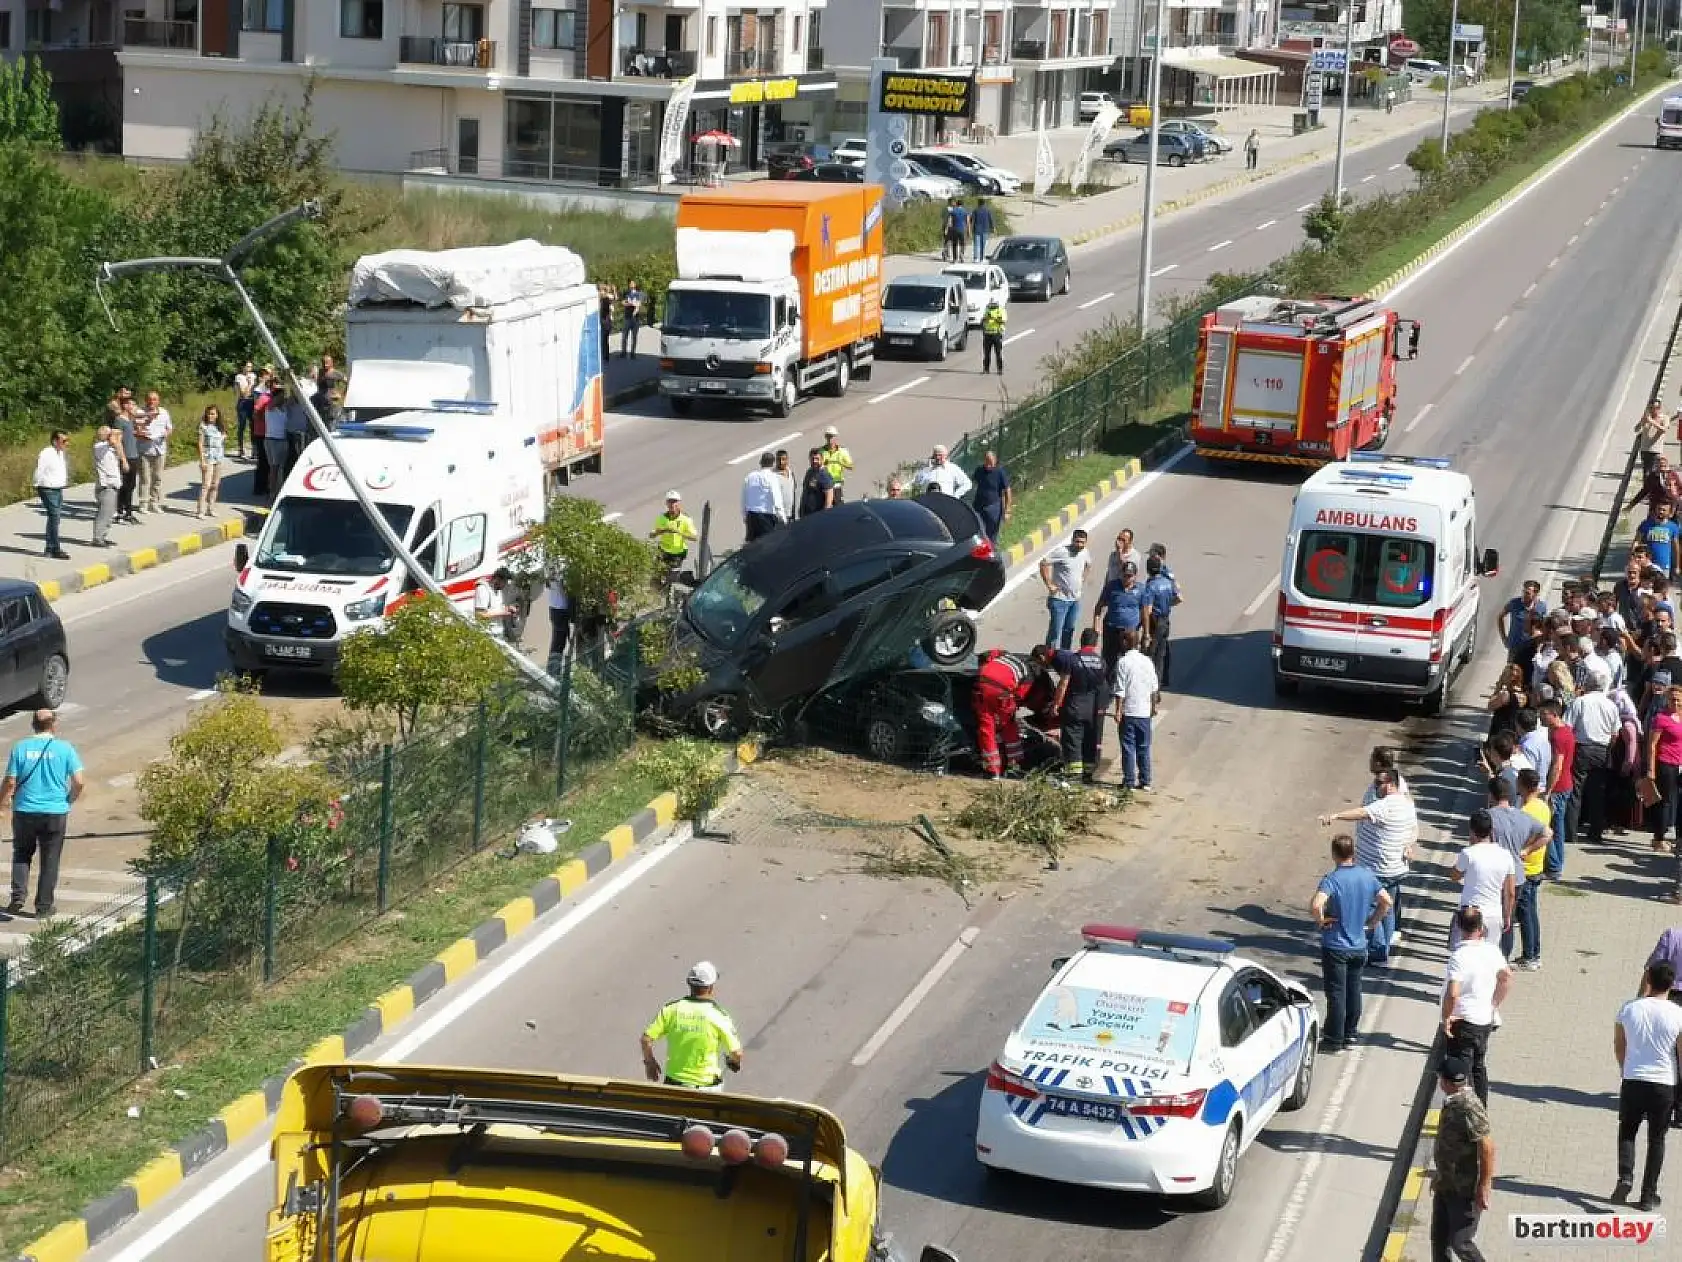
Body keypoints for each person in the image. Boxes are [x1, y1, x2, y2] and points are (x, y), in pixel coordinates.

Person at [1318, 767, 1415, 963]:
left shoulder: (1387, 805)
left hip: (1378, 869)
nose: (1375, 787)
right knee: (1387, 908)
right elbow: (1414, 829)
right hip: (1396, 868)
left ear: (1389, 785)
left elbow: (1362, 812)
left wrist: (1335, 816)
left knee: (1372, 909)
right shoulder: (1407, 804)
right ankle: (1384, 949)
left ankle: (1377, 950)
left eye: (1379, 783)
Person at [1309, 834, 1390, 1053]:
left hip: (1336, 946)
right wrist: (1373, 922)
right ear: (1353, 853)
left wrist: (1321, 920)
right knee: (1354, 989)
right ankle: (1351, 1033)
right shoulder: (1367, 876)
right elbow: (1386, 901)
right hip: (1358, 945)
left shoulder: (1332, 879)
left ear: (1334, 854)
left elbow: (1317, 905)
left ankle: (1334, 1038)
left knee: (1336, 993)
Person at [1, 709, 85, 919]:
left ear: (33, 725)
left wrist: (2, 804)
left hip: (24, 811)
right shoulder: (65, 749)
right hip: (55, 812)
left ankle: (18, 896)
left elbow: (10, 781)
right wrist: (69, 799)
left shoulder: (20, 748)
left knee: (22, 852)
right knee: (50, 859)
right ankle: (43, 906)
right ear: (53, 725)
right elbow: (79, 782)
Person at [1614, 959, 1682, 1211]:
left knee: (1628, 1129)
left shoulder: (1629, 1009)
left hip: (1633, 1078)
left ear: (1649, 981)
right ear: (1672, 985)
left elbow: (1619, 1044)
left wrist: (1624, 1067)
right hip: (1664, 1084)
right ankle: (1647, 1195)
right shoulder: (1678, 1014)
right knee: (1657, 1139)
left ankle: (1625, 1176)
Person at [1439, 906, 1511, 1106]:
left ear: (1459, 927)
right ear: (1481, 927)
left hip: (1462, 1020)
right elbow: (1506, 977)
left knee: (1460, 1069)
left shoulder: (1460, 956)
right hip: (1484, 1019)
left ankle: (1462, 1113)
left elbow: (1453, 993)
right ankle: (1481, 1109)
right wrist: (1494, 1004)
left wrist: (1446, 1018)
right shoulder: (1492, 950)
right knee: (1479, 1066)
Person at [1428, 1054, 1494, 1262]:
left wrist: (1484, 1186)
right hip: (1446, 1183)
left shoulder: (1469, 1107)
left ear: (1445, 1082)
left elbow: (1488, 1147)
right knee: (1439, 1239)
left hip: (1464, 1190)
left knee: (1461, 1242)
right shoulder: (1453, 1101)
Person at [640, 961, 744, 1090]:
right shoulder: (718, 1015)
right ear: (710, 987)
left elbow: (646, 1039)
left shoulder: (671, 1009)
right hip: (707, 1087)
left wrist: (650, 1063)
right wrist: (733, 1062)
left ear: (689, 984)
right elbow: (737, 1053)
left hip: (674, 1085)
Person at [1452, 810, 1516, 953]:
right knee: (1489, 955)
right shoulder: (1506, 856)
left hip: (1470, 914)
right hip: (1493, 913)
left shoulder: (1468, 853)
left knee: (1466, 954)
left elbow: (1454, 876)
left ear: (1472, 831)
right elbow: (1510, 892)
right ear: (1491, 831)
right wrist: (1507, 916)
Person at [1049, 629, 1108, 782]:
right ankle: (1088, 773)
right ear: (1095, 644)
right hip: (1092, 707)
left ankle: (1074, 775)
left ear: (1081, 641)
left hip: (1074, 705)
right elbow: (1102, 687)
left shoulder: (1072, 660)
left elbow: (1063, 684)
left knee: (1073, 740)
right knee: (1089, 740)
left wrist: (1056, 704)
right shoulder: (1101, 662)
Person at [974, 648, 1036, 779]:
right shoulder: (1027, 672)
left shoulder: (1002, 655)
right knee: (1009, 728)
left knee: (987, 729)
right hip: (1002, 694)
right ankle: (1015, 766)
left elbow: (986, 655)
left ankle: (992, 770)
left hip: (982, 686)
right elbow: (1020, 696)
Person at [1110, 629, 1159, 791]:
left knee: (1128, 747)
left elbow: (1120, 690)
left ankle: (1129, 781)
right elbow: (1154, 688)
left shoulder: (1123, 662)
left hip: (1129, 712)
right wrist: (1153, 707)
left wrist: (1118, 711)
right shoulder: (1147, 661)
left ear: (1125, 642)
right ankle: (1146, 781)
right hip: (1144, 712)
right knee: (1144, 747)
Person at [1093, 560, 1146, 677]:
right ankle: (1107, 686)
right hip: (1112, 629)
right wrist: (1096, 625)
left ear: (1135, 576)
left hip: (1130, 633)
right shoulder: (1112, 586)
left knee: (1130, 661)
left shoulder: (1141, 589)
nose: (1127, 578)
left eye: (1130, 576)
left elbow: (1144, 612)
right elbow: (1099, 606)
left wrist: (1145, 632)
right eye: (1125, 575)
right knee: (1108, 660)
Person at [1039, 529, 1091, 650]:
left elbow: (1088, 564)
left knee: (1069, 630)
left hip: (1075, 600)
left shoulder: (1085, 552)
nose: (1080, 545)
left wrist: (1083, 578)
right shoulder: (1062, 552)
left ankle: (1065, 656)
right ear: (1072, 540)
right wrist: (1049, 584)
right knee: (1055, 632)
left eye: (1082, 542)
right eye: (1077, 541)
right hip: (1059, 599)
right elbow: (1043, 563)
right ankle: (1048, 657)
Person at [32, 430, 69, 560]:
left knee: (55, 518)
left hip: (58, 488)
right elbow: (39, 469)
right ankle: (55, 548)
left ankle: (50, 548)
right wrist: (37, 484)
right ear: (55, 441)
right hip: (48, 488)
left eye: (67, 441)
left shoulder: (61, 453)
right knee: (54, 516)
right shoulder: (47, 453)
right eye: (63, 441)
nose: (66, 443)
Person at [1142, 554, 1177, 688]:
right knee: (1161, 654)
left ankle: (1150, 685)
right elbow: (1179, 598)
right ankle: (1159, 681)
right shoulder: (1167, 582)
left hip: (1154, 622)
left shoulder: (1150, 586)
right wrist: (1168, 605)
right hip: (1165, 620)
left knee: (1150, 653)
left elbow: (1147, 611)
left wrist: (1146, 633)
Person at [137, 390, 172, 513]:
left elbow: (169, 428)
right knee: (145, 478)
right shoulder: (140, 412)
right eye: (150, 399)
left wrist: (165, 435)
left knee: (157, 477)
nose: (152, 401)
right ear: (146, 400)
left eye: (154, 399)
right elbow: (136, 430)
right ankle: (143, 503)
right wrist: (144, 431)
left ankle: (154, 502)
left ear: (158, 401)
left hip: (159, 449)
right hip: (144, 449)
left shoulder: (164, 412)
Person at [1499, 580, 1548, 664]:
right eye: (1524, 592)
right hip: (1515, 647)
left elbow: (1544, 626)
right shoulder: (1514, 603)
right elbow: (1500, 617)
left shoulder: (1541, 606)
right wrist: (1504, 638)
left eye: (1528, 593)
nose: (1524, 595)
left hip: (1532, 648)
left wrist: (1539, 636)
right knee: (1512, 674)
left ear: (1535, 594)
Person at [91, 425, 122, 548]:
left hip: (113, 484)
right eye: (110, 435)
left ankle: (103, 535)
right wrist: (112, 437)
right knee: (104, 513)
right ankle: (97, 538)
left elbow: (119, 450)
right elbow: (112, 442)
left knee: (110, 513)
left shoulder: (111, 448)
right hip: (105, 485)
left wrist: (116, 440)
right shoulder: (98, 447)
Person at [651, 491, 699, 572]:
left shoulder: (685, 519)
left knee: (672, 576)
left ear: (679, 503)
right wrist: (663, 530)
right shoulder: (662, 518)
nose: (672, 504)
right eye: (670, 501)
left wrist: (679, 533)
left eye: (674, 501)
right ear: (666, 503)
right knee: (656, 575)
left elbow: (695, 537)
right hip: (664, 550)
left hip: (678, 553)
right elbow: (652, 535)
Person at [970, 450, 1012, 542]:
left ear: (995, 461)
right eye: (987, 462)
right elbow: (973, 483)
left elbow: (1007, 490)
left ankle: (992, 552)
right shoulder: (979, 470)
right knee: (977, 531)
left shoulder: (1000, 472)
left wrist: (1007, 510)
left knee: (992, 534)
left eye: (991, 462)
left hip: (993, 507)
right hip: (978, 506)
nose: (988, 465)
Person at [741, 451, 783, 542]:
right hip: (766, 516)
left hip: (752, 515)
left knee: (752, 543)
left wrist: (744, 515)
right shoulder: (773, 477)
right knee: (767, 543)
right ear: (773, 463)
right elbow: (777, 498)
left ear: (760, 462)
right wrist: (782, 516)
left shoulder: (750, 476)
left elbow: (744, 497)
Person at [196, 405, 227, 519]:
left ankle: (211, 507)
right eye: (209, 414)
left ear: (217, 415)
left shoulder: (220, 427)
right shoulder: (203, 426)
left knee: (215, 485)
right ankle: (201, 510)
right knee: (206, 485)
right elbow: (200, 443)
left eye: (213, 414)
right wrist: (202, 460)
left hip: (218, 457)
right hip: (208, 457)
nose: (211, 416)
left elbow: (223, 438)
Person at [473, 567, 519, 642]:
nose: (506, 584)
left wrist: (508, 609)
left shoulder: (498, 591)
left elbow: (495, 609)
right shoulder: (483, 589)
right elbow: (479, 614)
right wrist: (504, 612)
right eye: (504, 581)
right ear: (497, 579)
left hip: (497, 634)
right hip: (486, 634)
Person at [819, 427, 853, 504]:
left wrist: (840, 462)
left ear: (835, 437)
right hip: (824, 484)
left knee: (838, 507)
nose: (830, 439)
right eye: (828, 436)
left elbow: (851, 466)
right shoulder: (821, 451)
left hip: (836, 484)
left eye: (832, 436)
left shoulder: (842, 451)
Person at [799, 449, 835, 517]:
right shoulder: (809, 472)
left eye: (817, 459)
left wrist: (823, 517)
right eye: (812, 459)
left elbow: (829, 500)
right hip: (806, 515)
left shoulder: (824, 475)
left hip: (817, 516)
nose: (814, 461)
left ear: (822, 459)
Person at [234, 360, 256, 460]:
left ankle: (254, 450)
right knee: (242, 426)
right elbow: (243, 393)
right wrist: (250, 384)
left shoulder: (254, 376)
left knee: (253, 426)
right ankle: (241, 449)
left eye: (250, 367)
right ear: (243, 367)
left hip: (252, 402)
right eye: (247, 367)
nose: (249, 369)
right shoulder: (239, 377)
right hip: (243, 402)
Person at [980, 298, 1007, 375]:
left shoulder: (1001, 310)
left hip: (997, 334)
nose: (991, 306)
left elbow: (1003, 320)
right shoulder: (987, 309)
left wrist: (994, 318)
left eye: (993, 305)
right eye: (991, 305)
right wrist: (984, 319)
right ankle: (986, 369)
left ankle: (1000, 369)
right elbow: (983, 320)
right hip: (987, 334)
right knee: (986, 353)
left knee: (998, 353)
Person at [620, 281, 646, 359]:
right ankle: (623, 353)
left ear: (635, 285)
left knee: (634, 337)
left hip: (635, 318)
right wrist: (631, 303)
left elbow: (639, 304)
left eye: (633, 283)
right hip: (627, 317)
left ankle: (632, 353)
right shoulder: (626, 293)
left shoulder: (640, 293)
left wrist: (632, 304)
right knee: (624, 336)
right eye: (630, 283)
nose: (631, 284)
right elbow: (623, 302)